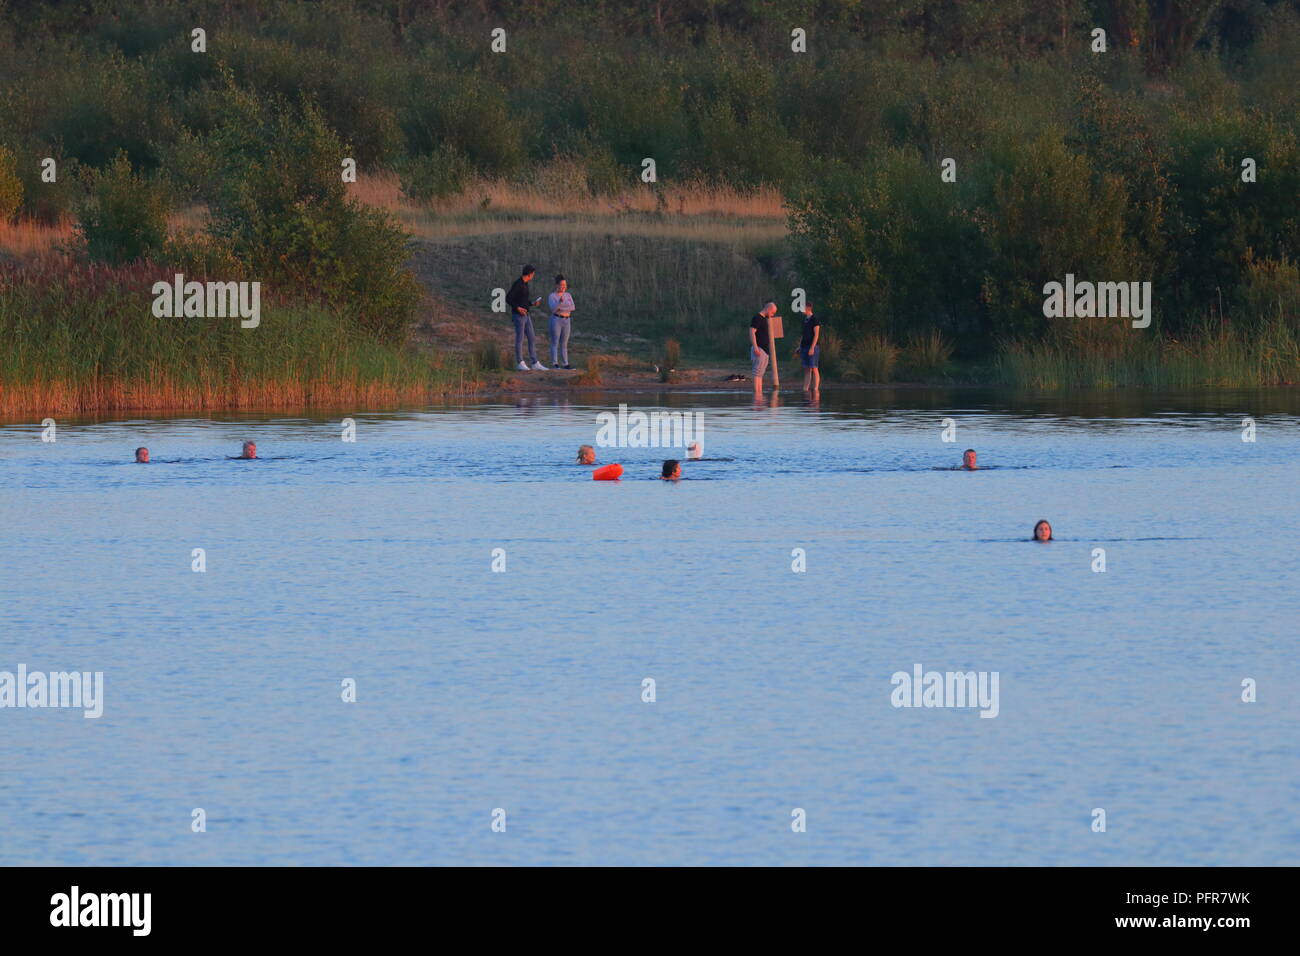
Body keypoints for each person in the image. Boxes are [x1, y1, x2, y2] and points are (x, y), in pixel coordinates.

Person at [505, 264, 546, 371]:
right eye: (533, 274)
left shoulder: (525, 284)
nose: (533, 276)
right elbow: (508, 298)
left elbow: (523, 300)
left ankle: (534, 362)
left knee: (532, 337)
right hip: (518, 315)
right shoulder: (518, 284)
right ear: (530, 274)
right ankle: (520, 362)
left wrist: (532, 303)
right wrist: (518, 308)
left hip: (526, 315)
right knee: (520, 338)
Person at [548, 275, 576, 369]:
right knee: (555, 341)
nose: (563, 287)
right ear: (557, 285)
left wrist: (561, 308)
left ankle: (565, 363)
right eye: (561, 285)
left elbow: (572, 307)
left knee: (564, 343)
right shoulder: (552, 296)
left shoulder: (568, 295)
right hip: (556, 320)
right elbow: (553, 309)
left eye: (565, 285)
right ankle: (555, 363)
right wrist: (559, 303)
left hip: (567, 320)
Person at [748, 302, 778, 390]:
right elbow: (752, 332)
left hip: (765, 349)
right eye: (772, 313)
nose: (772, 315)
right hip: (759, 348)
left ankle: (759, 393)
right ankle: (757, 394)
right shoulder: (757, 318)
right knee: (757, 372)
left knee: (760, 373)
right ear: (768, 309)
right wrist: (756, 346)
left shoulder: (764, 319)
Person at [796, 303, 820, 392]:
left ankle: (815, 388)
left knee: (814, 367)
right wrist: (799, 346)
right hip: (804, 346)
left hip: (812, 346)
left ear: (808, 308)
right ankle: (805, 389)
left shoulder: (814, 319)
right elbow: (803, 335)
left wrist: (812, 347)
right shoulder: (805, 320)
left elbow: (816, 335)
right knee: (807, 368)